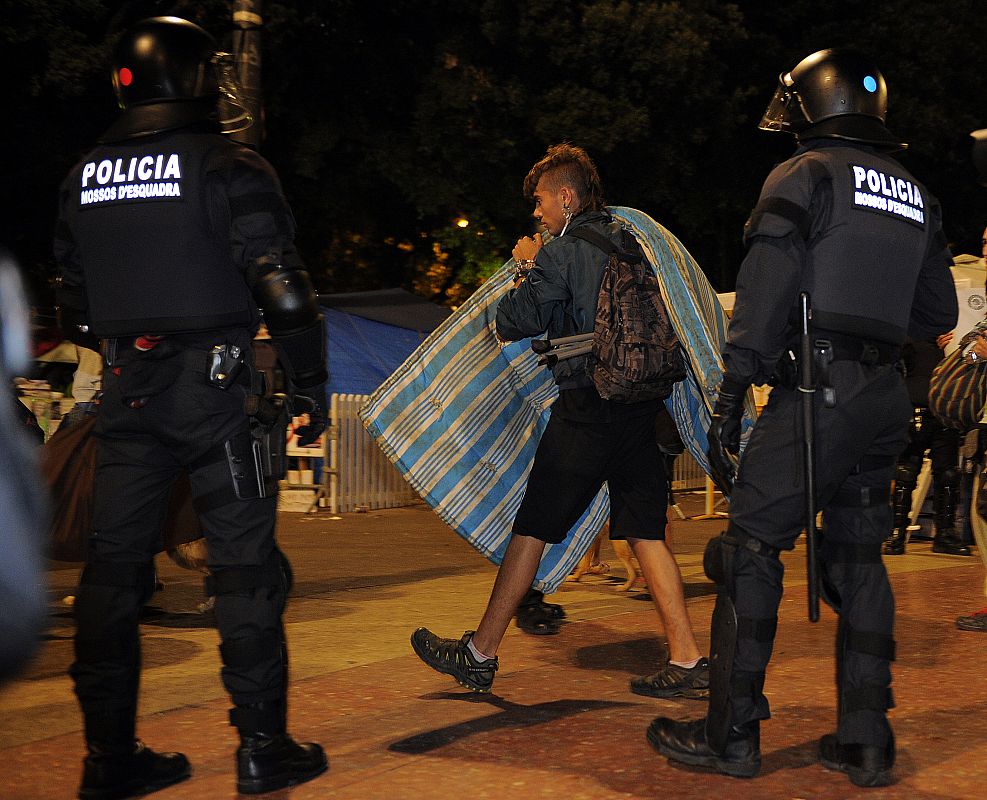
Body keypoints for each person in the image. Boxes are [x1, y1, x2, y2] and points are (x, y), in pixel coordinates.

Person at [648, 50, 958, 788]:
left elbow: (764, 290)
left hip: (817, 392)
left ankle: (730, 736)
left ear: (813, 105)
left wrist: (732, 391)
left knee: (749, 551)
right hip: (883, 397)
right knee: (858, 554)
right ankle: (865, 741)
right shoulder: (915, 192)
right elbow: (935, 313)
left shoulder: (803, 174)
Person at [53, 17, 328, 798]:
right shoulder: (227, 164)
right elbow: (283, 287)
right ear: (198, 78)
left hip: (126, 395)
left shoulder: (84, 176)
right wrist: (309, 384)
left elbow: (73, 304)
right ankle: (260, 747)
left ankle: (108, 759)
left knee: (111, 580)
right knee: (242, 575)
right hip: (214, 394)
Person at [410, 143, 709, 699]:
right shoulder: (634, 243)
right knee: (646, 531)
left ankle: (479, 654)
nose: (537, 212)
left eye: (542, 200)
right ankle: (688, 659)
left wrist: (526, 262)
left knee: (532, 528)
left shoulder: (561, 251)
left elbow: (513, 320)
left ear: (567, 197)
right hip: (641, 405)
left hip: (587, 408)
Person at [884, 335, 970, 556]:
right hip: (916, 404)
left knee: (948, 474)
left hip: (947, 409)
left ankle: (945, 534)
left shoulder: (958, 331)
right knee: (906, 471)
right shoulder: (911, 330)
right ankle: (896, 532)